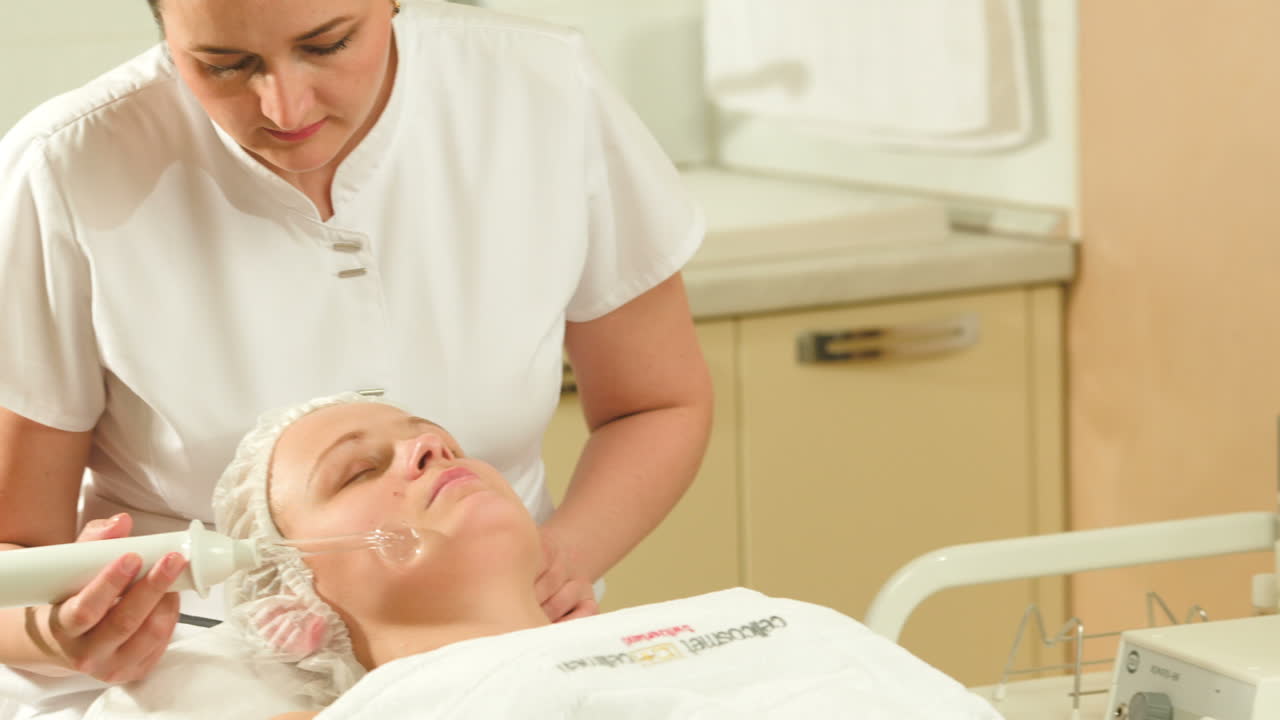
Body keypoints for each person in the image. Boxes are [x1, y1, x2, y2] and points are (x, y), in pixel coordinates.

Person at [0, 0, 713, 708]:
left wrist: (557, 560)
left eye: (329, 43)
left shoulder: (539, 90)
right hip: (189, 668)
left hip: (527, 640)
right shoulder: (67, 168)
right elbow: (13, 554)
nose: (284, 105)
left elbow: (657, 401)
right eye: (224, 65)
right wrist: (59, 631)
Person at [85, 393, 1003, 720]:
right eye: (362, 468)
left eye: (434, 438)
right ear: (296, 604)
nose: (429, 451)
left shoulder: (759, 616)